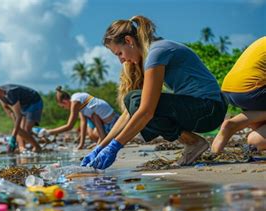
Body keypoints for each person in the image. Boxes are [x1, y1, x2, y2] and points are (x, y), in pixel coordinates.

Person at [81, 15, 227, 169]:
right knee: (131, 100)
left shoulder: (157, 52)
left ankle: (194, 142)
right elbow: (129, 113)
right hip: (203, 109)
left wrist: (116, 147)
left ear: (129, 41)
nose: (121, 60)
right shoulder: (153, 51)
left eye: (119, 53)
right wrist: (101, 147)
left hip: (210, 109)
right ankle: (192, 142)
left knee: (135, 100)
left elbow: (145, 111)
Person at [212, 37, 266, 152]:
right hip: (252, 89)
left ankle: (234, 126)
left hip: (230, 88)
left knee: (257, 140)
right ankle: (238, 125)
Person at [39, 86, 119, 149]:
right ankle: (102, 141)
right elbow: (83, 124)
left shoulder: (75, 101)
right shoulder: (78, 100)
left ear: (65, 102)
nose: (65, 109)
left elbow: (69, 126)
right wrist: (81, 144)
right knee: (92, 134)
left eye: (63, 107)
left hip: (113, 122)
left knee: (94, 118)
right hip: (105, 122)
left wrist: (49, 132)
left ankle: (103, 141)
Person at [0, 83, 42, 152]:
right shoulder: (1, 96)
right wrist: (15, 124)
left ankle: (37, 147)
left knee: (26, 129)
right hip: (23, 105)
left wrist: (13, 137)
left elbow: (19, 116)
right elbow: (8, 110)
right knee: (19, 129)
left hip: (34, 101)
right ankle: (22, 147)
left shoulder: (10, 93)